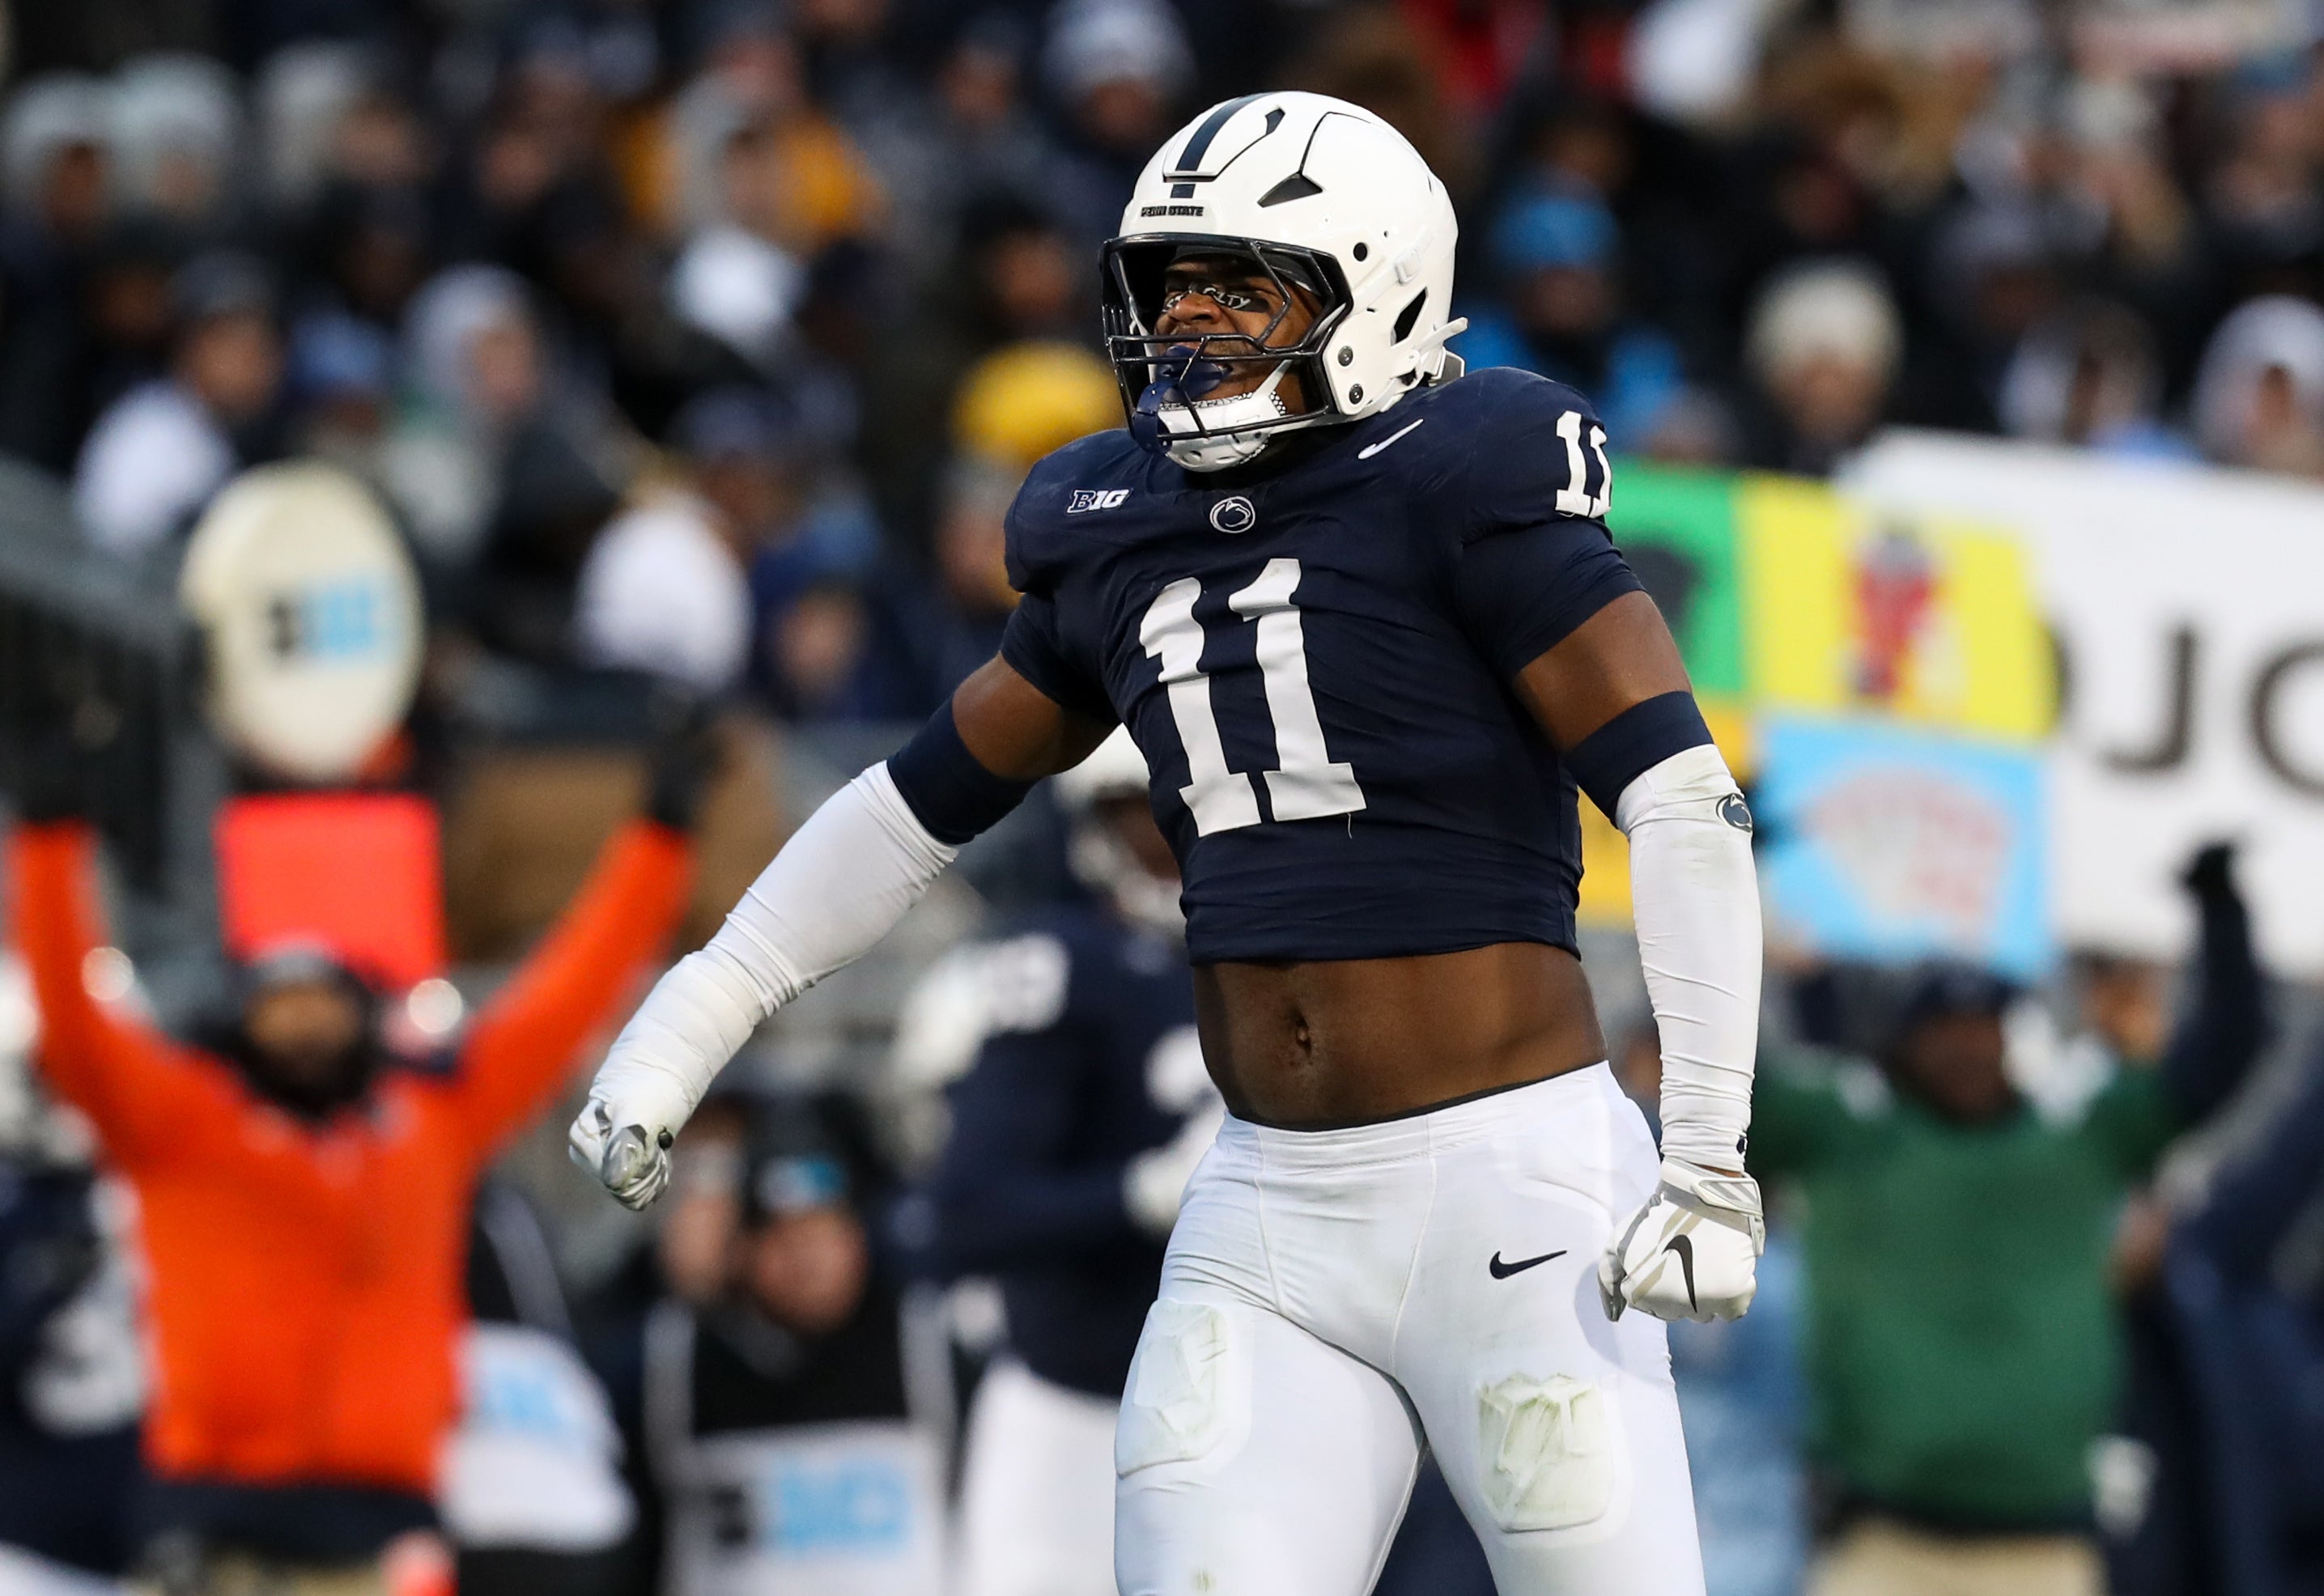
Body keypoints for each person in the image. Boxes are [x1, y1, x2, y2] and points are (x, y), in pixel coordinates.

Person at [571, 91, 1764, 1593]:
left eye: (1237, 286)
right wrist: (699, 1010)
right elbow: (918, 799)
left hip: (1512, 1184)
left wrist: (1708, 1147)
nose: (1189, 325)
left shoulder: (1473, 468)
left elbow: (1681, 798)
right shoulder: (1109, 518)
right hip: (1266, 1196)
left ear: (1375, 289)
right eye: (1169, 287)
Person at [3, 735, 708, 1592]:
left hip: (379, 1532)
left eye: (321, 1005)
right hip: (215, 1525)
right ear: (239, 1023)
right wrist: (47, 841)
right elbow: (74, 1028)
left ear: (365, 1017)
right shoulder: (184, 1124)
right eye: (280, 1007)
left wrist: (660, 840)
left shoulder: (427, 1124)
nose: (303, 1029)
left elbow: (569, 996)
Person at [1749, 850, 2267, 1596]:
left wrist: (2222, 913)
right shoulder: (1846, 1136)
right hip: (1879, 1543)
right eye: (1943, 1027)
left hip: (2044, 1552)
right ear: (1901, 1045)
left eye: (1985, 1025)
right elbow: (1714, 1067)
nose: (1968, 1046)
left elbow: (2216, 1061)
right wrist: (1722, 868)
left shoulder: (2080, 1140)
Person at [604, 1091, 949, 1595]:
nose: (809, 1263)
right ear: (741, 1250)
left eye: (827, 1235)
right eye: (785, 1241)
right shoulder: (671, 1364)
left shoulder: (929, 1349)